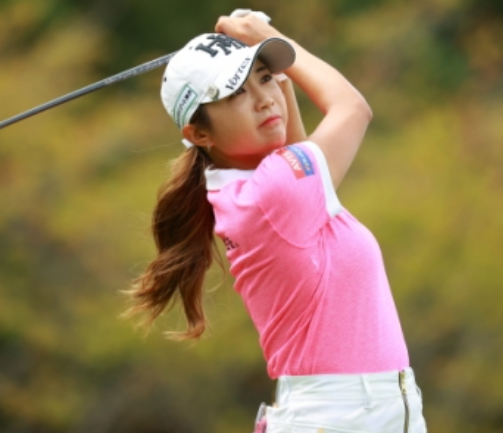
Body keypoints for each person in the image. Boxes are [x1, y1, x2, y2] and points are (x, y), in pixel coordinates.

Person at [125, 10, 428, 433]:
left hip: (358, 411)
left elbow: (293, 145)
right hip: (340, 416)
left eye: (265, 78)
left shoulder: (254, 188)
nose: (264, 99)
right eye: (235, 93)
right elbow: (353, 108)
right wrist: (265, 33)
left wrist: (265, 60)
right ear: (199, 134)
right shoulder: (273, 192)